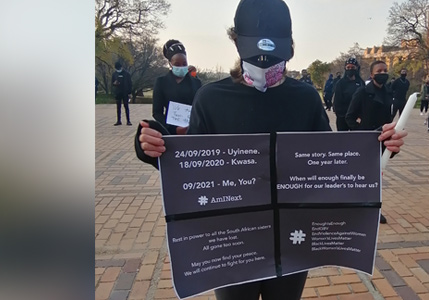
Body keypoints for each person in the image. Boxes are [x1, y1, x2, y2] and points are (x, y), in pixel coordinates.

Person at [134, 0, 407, 298]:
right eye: (256, 52)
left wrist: (379, 146)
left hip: (291, 240)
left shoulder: (305, 98)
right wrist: (153, 148)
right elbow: (193, 168)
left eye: (273, 52)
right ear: (236, 43)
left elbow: (332, 163)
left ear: (289, 48)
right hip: (233, 242)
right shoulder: (211, 98)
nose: (264, 61)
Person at [345, 60, 394, 224]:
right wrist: (361, 133)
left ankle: (375, 208)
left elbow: (389, 116)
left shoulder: (388, 92)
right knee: (362, 176)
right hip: (366, 141)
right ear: (372, 74)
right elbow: (349, 117)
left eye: (385, 70)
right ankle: (357, 206)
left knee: (377, 177)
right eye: (379, 71)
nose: (383, 73)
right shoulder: (362, 92)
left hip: (382, 140)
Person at [152, 39, 203, 135]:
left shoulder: (196, 83)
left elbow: (200, 108)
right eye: (177, 64)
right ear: (170, 64)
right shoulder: (161, 82)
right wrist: (172, 129)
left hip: (193, 130)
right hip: (170, 132)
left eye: (184, 64)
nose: (181, 67)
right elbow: (157, 112)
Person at [332, 58, 364, 131]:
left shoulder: (361, 82)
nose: (350, 69)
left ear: (357, 68)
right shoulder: (340, 83)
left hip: (356, 118)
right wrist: (341, 115)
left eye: (352, 67)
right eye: (348, 67)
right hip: (343, 117)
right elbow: (337, 102)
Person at [111, 61, 132, 125]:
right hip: (118, 92)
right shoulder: (114, 74)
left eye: (119, 68)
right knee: (118, 107)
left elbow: (130, 84)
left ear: (121, 67)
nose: (118, 70)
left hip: (125, 92)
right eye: (117, 69)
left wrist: (130, 93)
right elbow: (112, 83)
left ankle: (128, 121)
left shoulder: (126, 74)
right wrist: (114, 84)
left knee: (126, 106)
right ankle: (118, 120)